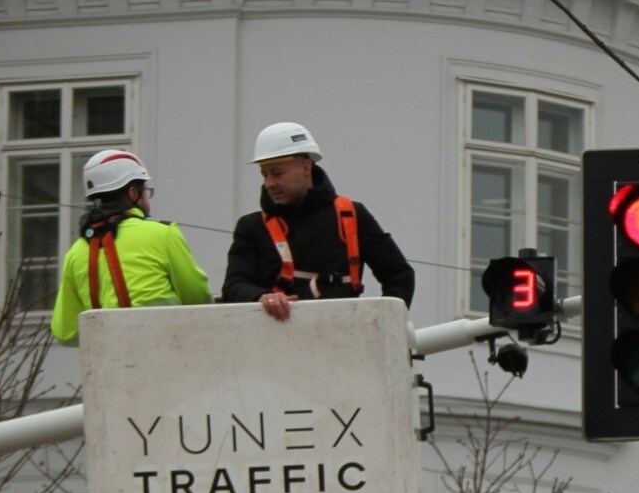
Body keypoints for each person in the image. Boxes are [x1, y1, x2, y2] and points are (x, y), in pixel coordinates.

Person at [221, 121, 415, 321]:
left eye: (277, 173)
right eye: (265, 174)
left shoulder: (350, 216)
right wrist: (261, 297)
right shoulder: (253, 227)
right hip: (275, 343)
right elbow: (234, 286)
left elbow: (399, 275)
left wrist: (384, 325)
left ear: (306, 167)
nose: (269, 183)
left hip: (343, 341)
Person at [48, 149, 212, 346]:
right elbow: (197, 297)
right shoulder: (163, 234)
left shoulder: (76, 252)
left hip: (108, 367)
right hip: (167, 353)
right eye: (146, 192)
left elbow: (64, 331)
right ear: (133, 193)